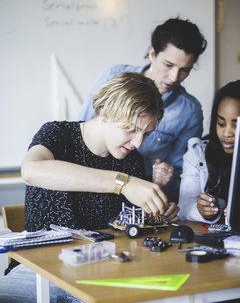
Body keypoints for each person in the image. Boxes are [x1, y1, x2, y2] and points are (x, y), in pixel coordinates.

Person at [0, 72, 179, 303]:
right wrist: (122, 183)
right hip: (38, 271)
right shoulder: (58, 134)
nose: (138, 143)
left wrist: (155, 213)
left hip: (96, 270)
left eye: (146, 133)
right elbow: (31, 171)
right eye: (131, 129)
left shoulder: (131, 161)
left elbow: (123, 228)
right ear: (105, 113)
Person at [79, 17, 207, 201]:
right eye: (169, 65)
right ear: (152, 53)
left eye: (185, 70)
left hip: (141, 198)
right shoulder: (114, 76)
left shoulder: (189, 111)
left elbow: (183, 174)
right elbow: (83, 130)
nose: (174, 77)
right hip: (93, 187)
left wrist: (164, 177)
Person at [178, 80, 240, 223]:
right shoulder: (197, 153)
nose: (227, 133)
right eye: (221, 123)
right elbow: (184, 206)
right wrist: (201, 211)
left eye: (236, 126)